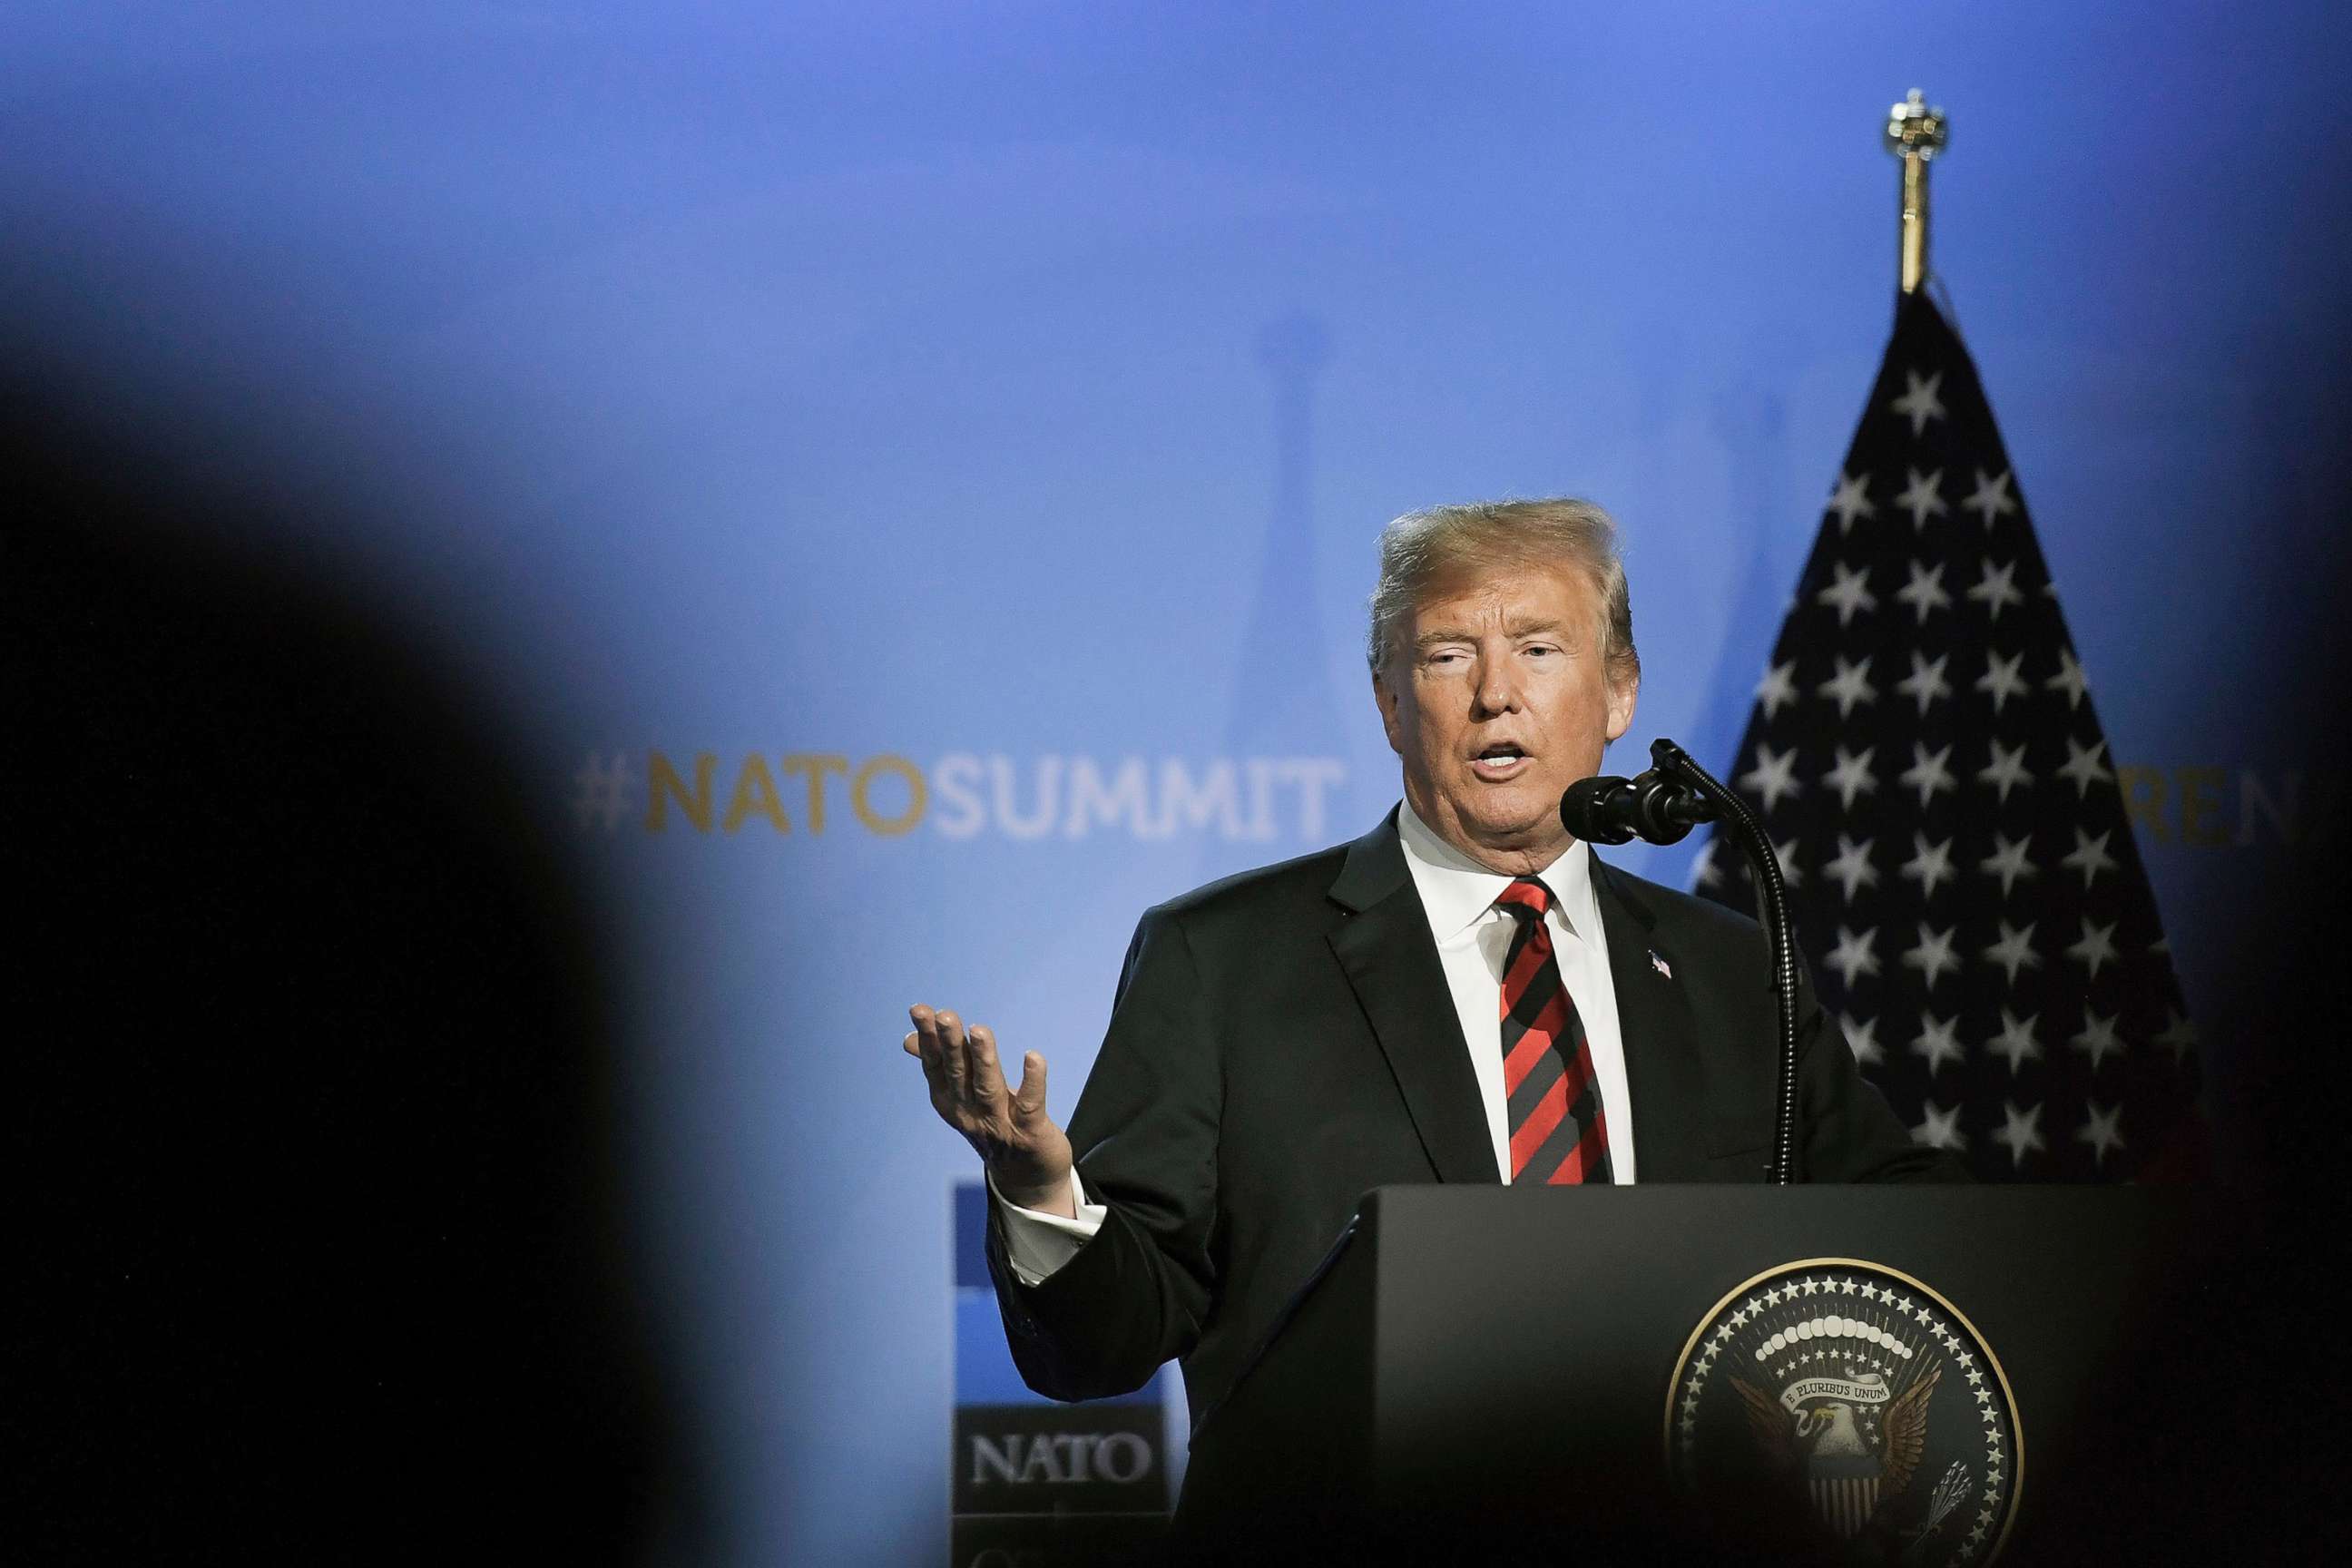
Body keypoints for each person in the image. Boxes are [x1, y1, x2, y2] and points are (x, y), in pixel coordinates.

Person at [903, 497, 1954, 1467]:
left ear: (1621, 690)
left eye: (1540, 650)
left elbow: (1901, 1236)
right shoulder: (1220, 960)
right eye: (1450, 655)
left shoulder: (1729, 968)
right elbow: (1103, 1346)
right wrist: (1042, 1191)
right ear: (1391, 703)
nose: (1497, 693)